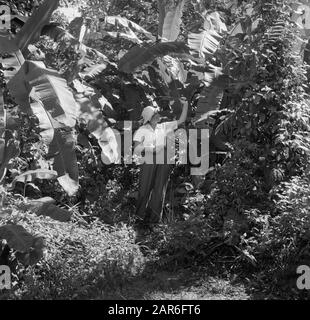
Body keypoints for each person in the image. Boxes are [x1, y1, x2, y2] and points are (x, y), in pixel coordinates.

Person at [133, 97, 189, 227]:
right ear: (149, 118)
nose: (158, 116)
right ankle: (139, 217)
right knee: (144, 187)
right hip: (149, 158)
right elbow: (137, 149)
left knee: (159, 189)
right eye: (155, 114)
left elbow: (181, 120)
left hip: (164, 158)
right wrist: (151, 149)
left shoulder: (164, 126)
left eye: (157, 114)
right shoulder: (142, 130)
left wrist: (185, 105)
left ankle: (154, 220)